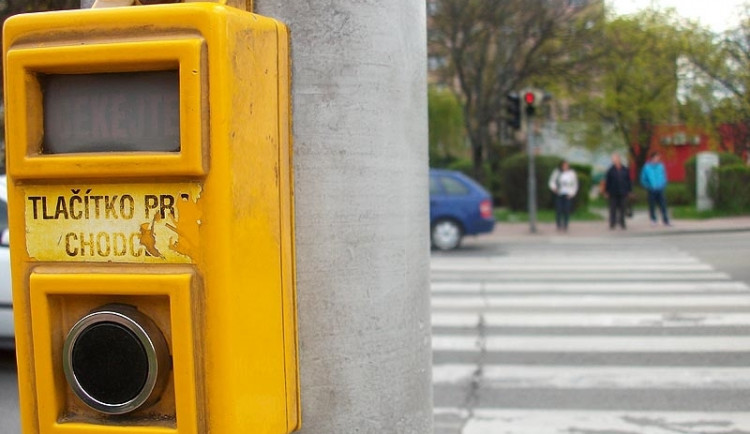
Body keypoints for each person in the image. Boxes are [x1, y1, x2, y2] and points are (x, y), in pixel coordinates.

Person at [640, 151, 671, 226]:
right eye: (656, 157)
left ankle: (665, 220)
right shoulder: (647, 167)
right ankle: (653, 220)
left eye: (658, 157)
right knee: (652, 205)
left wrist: (663, 184)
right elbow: (643, 178)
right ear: (652, 158)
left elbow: (664, 176)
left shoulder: (660, 166)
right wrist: (648, 186)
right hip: (651, 189)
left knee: (663, 205)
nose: (658, 159)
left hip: (660, 189)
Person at [548, 160, 578, 232]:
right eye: (564, 165)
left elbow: (575, 184)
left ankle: (565, 224)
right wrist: (554, 188)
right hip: (559, 193)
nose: (565, 167)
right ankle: (558, 224)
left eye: (566, 165)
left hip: (567, 194)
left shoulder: (571, 173)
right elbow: (552, 181)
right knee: (559, 210)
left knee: (566, 210)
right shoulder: (557, 172)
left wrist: (572, 193)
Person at [604, 153, 632, 229]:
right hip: (613, 192)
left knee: (623, 208)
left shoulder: (625, 169)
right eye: (613, 159)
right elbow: (608, 181)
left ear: (619, 159)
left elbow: (628, 181)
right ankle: (612, 223)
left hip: (623, 191)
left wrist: (629, 191)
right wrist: (606, 191)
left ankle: (622, 223)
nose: (614, 160)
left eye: (615, 159)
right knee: (613, 209)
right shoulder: (610, 170)